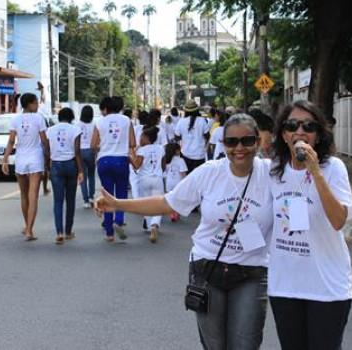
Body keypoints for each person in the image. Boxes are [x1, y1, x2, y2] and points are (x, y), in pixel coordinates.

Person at [95, 114, 273, 349]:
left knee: (246, 344)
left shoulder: (272, 174)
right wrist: (119, 203)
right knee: (214, 345)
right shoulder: (210, 172)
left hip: (252, 271)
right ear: (223, 144)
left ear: (258, 142)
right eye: (231, 142)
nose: (239, 148)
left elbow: (303, 190)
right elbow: (167, 202)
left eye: (247, 141)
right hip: (208, 269)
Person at [268, 100, 352, 350]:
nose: (300, 131)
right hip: (285, 286)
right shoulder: (273, 170)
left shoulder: (333, 168)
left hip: (327, 288)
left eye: (308, 125)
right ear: (283, 134)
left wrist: (315, 172)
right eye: (292, 125)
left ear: (318, 135)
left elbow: (339, 220)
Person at [1, 93, 49, 241]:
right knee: (33, 195)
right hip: (35, 158)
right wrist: (49, 155)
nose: (37, 105)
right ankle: (29, 230)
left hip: (20, 158)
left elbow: (11, 141)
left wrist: (5, 159)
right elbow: (44, 140)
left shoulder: (15, 119)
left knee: (23, 194)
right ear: (29, 104)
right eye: (35, 103)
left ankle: (26, 225)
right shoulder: (39, 118)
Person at [91, 96, 136, 242]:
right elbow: (133, 142)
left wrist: (104, 146)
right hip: (121, 160)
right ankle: (119, 220)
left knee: (107, 196)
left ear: (106, 108)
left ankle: (109, 233)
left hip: (104, 161)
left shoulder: (99, 122)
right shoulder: (126, 120)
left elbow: (93, 145)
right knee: (121, 193)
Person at [47, 107, 84, 244]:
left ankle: (59, 232)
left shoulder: (50, 130)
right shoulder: (75, 130)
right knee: (70, 200)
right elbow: (77, 151)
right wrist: (80, 171)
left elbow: (47, 149)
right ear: (71, 117)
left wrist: (48, 166)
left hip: (56, 165)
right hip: (71, 165)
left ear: (59, 117)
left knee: (58, 201)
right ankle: (68, 231)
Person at [129, 126, 166, 243]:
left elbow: (137, 166)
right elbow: (163, 164)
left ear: (147, 138)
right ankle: (155, 224)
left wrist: (130, 159)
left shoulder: (142, 150)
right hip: (158, 179)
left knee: (146, 204)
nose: (140, 139)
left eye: (141, 137)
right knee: (159, 204)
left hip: (144, 180)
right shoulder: (161, 148)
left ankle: (151, 227)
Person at [175, 101, 211, 174]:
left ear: (186, 111)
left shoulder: (181, 121)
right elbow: (207, 136)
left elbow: (176, 137)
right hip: (200, 156)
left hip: (185, 155)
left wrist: (185, 136)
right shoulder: (202, 121)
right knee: (199, 179)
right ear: (196, 110)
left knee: (187, 180)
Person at [78, 105, 97, 208]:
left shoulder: (77, 124)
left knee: (83, 176)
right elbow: (96, 139)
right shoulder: (94, 125)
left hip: (80, 151)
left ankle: (85, 200)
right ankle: (91, 196)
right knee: (91, 175)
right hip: (90, 150)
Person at [164, 142, 187, 222]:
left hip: (169, 182)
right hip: (178, 182)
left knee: (171, 199)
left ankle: (172, 214)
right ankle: (176, 213)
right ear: (177, 151)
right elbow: (182, 173)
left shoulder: (167, 160)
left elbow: (165, 172)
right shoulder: (181, 160)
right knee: (178, 199)